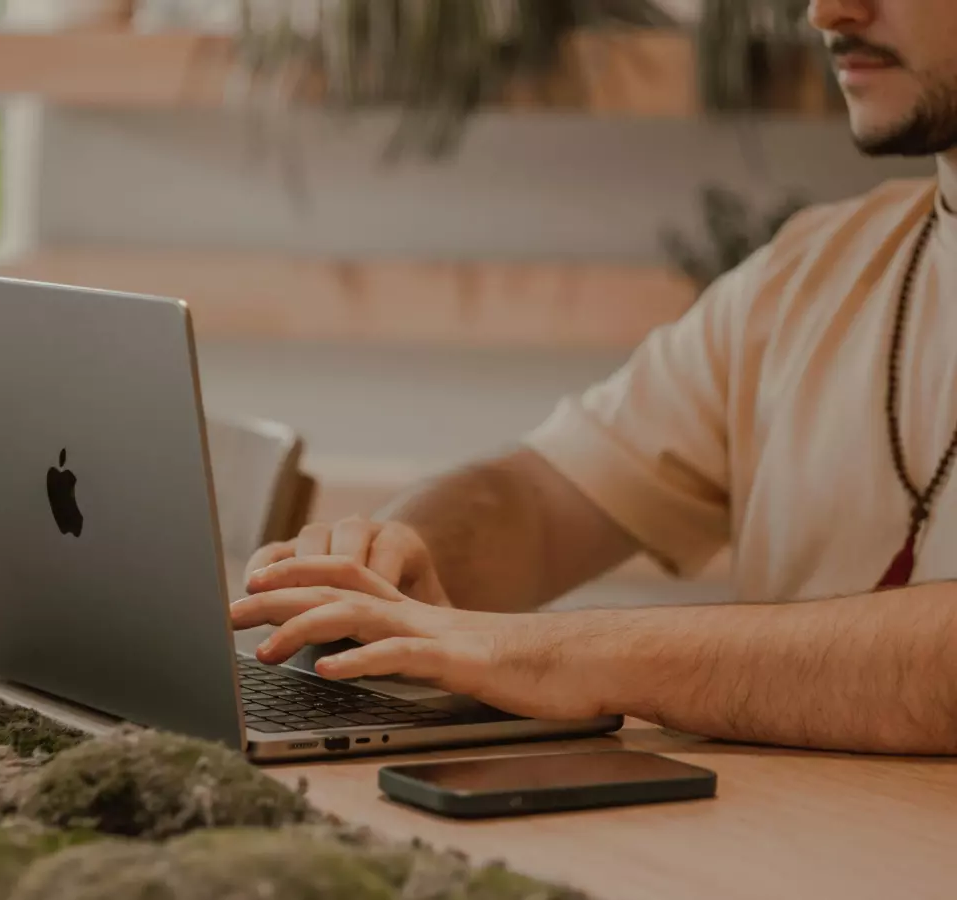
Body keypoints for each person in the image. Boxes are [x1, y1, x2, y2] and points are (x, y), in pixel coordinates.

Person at [230, 0, 957, 756]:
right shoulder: (814, 271)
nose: (828, 10)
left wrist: (564, 653)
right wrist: (399, 558)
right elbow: (542, 497)